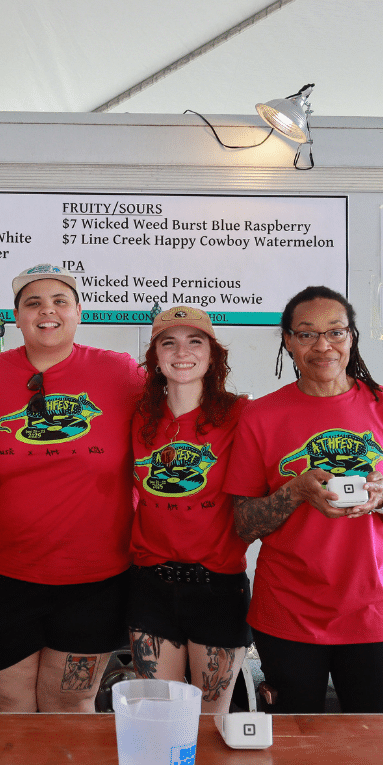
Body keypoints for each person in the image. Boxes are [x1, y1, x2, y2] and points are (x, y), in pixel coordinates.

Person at [224, 285, 383, 714]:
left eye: (335, 331)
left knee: (375, 737)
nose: (323, 345)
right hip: (286, 611)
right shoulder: (261, 415)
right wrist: (295, 491)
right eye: (306, 334)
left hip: (373, 609)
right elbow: (243, 524)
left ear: (352, 337)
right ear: (288, 341)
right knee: (293, 739)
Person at [0, 263, 142, 712]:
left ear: (79, 313)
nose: (47, 311)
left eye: (60, 301)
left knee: (70, 708)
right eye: (33, 303)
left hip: (93, 582)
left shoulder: (122, 375)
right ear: (17, 317)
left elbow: (181, 422)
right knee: (5, 706)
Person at [128, 305, 250, 714]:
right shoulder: (139, 417)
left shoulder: (239, 414)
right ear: (155, 357)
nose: (182, 352)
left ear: (212, 356)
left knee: (211, 719)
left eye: (195, 342)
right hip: (150, 584)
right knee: (157, 713)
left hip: (218, 586)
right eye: (169, 343)